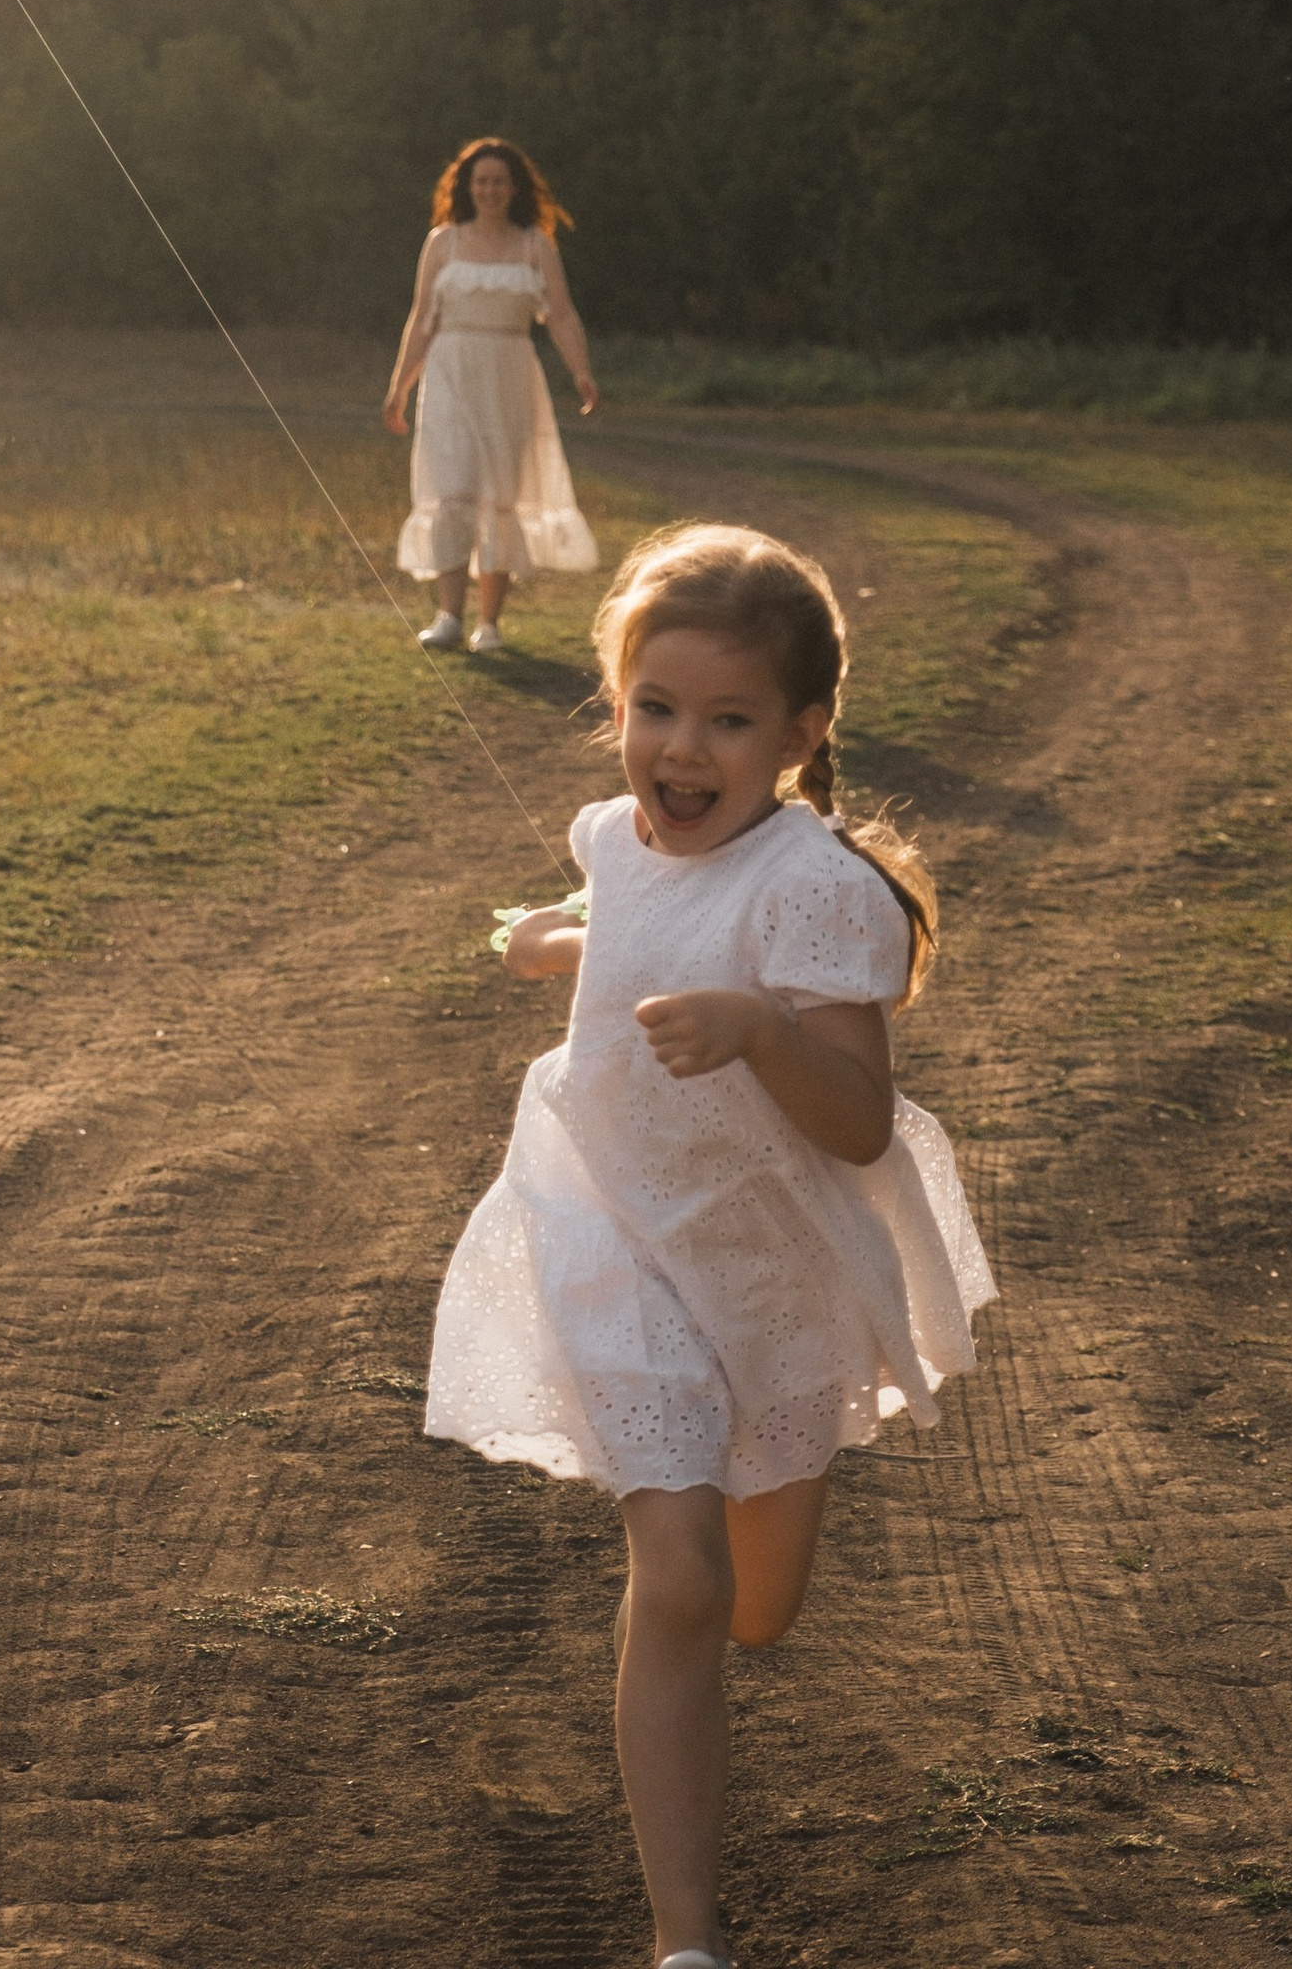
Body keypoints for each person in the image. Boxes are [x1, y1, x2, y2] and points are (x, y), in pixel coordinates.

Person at [425, 522, 995, 1969]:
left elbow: (860, 1123)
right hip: (608, 1218)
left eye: (729, 720)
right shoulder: (614, 837)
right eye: (653, 709)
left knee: (755, 1608)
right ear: (616, 708)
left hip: (770, 1258)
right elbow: (618, 912)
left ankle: (733, 1598)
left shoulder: (818, 891)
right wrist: (544, 937)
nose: (680, 747)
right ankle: (689, 1942)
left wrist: (754, 1030)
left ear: (800, 739)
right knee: (677, 1572)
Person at [383, 136, 599, 654]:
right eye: (481, 181)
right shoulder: (443, 243)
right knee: (452, 488)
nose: (490, 190)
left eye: (499, 181)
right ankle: (448, 615)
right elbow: (421, 318)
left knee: (501, 492)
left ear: (515, 188)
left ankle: (490, 624)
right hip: (450, 372)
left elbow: (562, 314)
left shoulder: (534, 246)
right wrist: (399, 387)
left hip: (510, 373)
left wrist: (581, 372)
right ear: (467, 187)